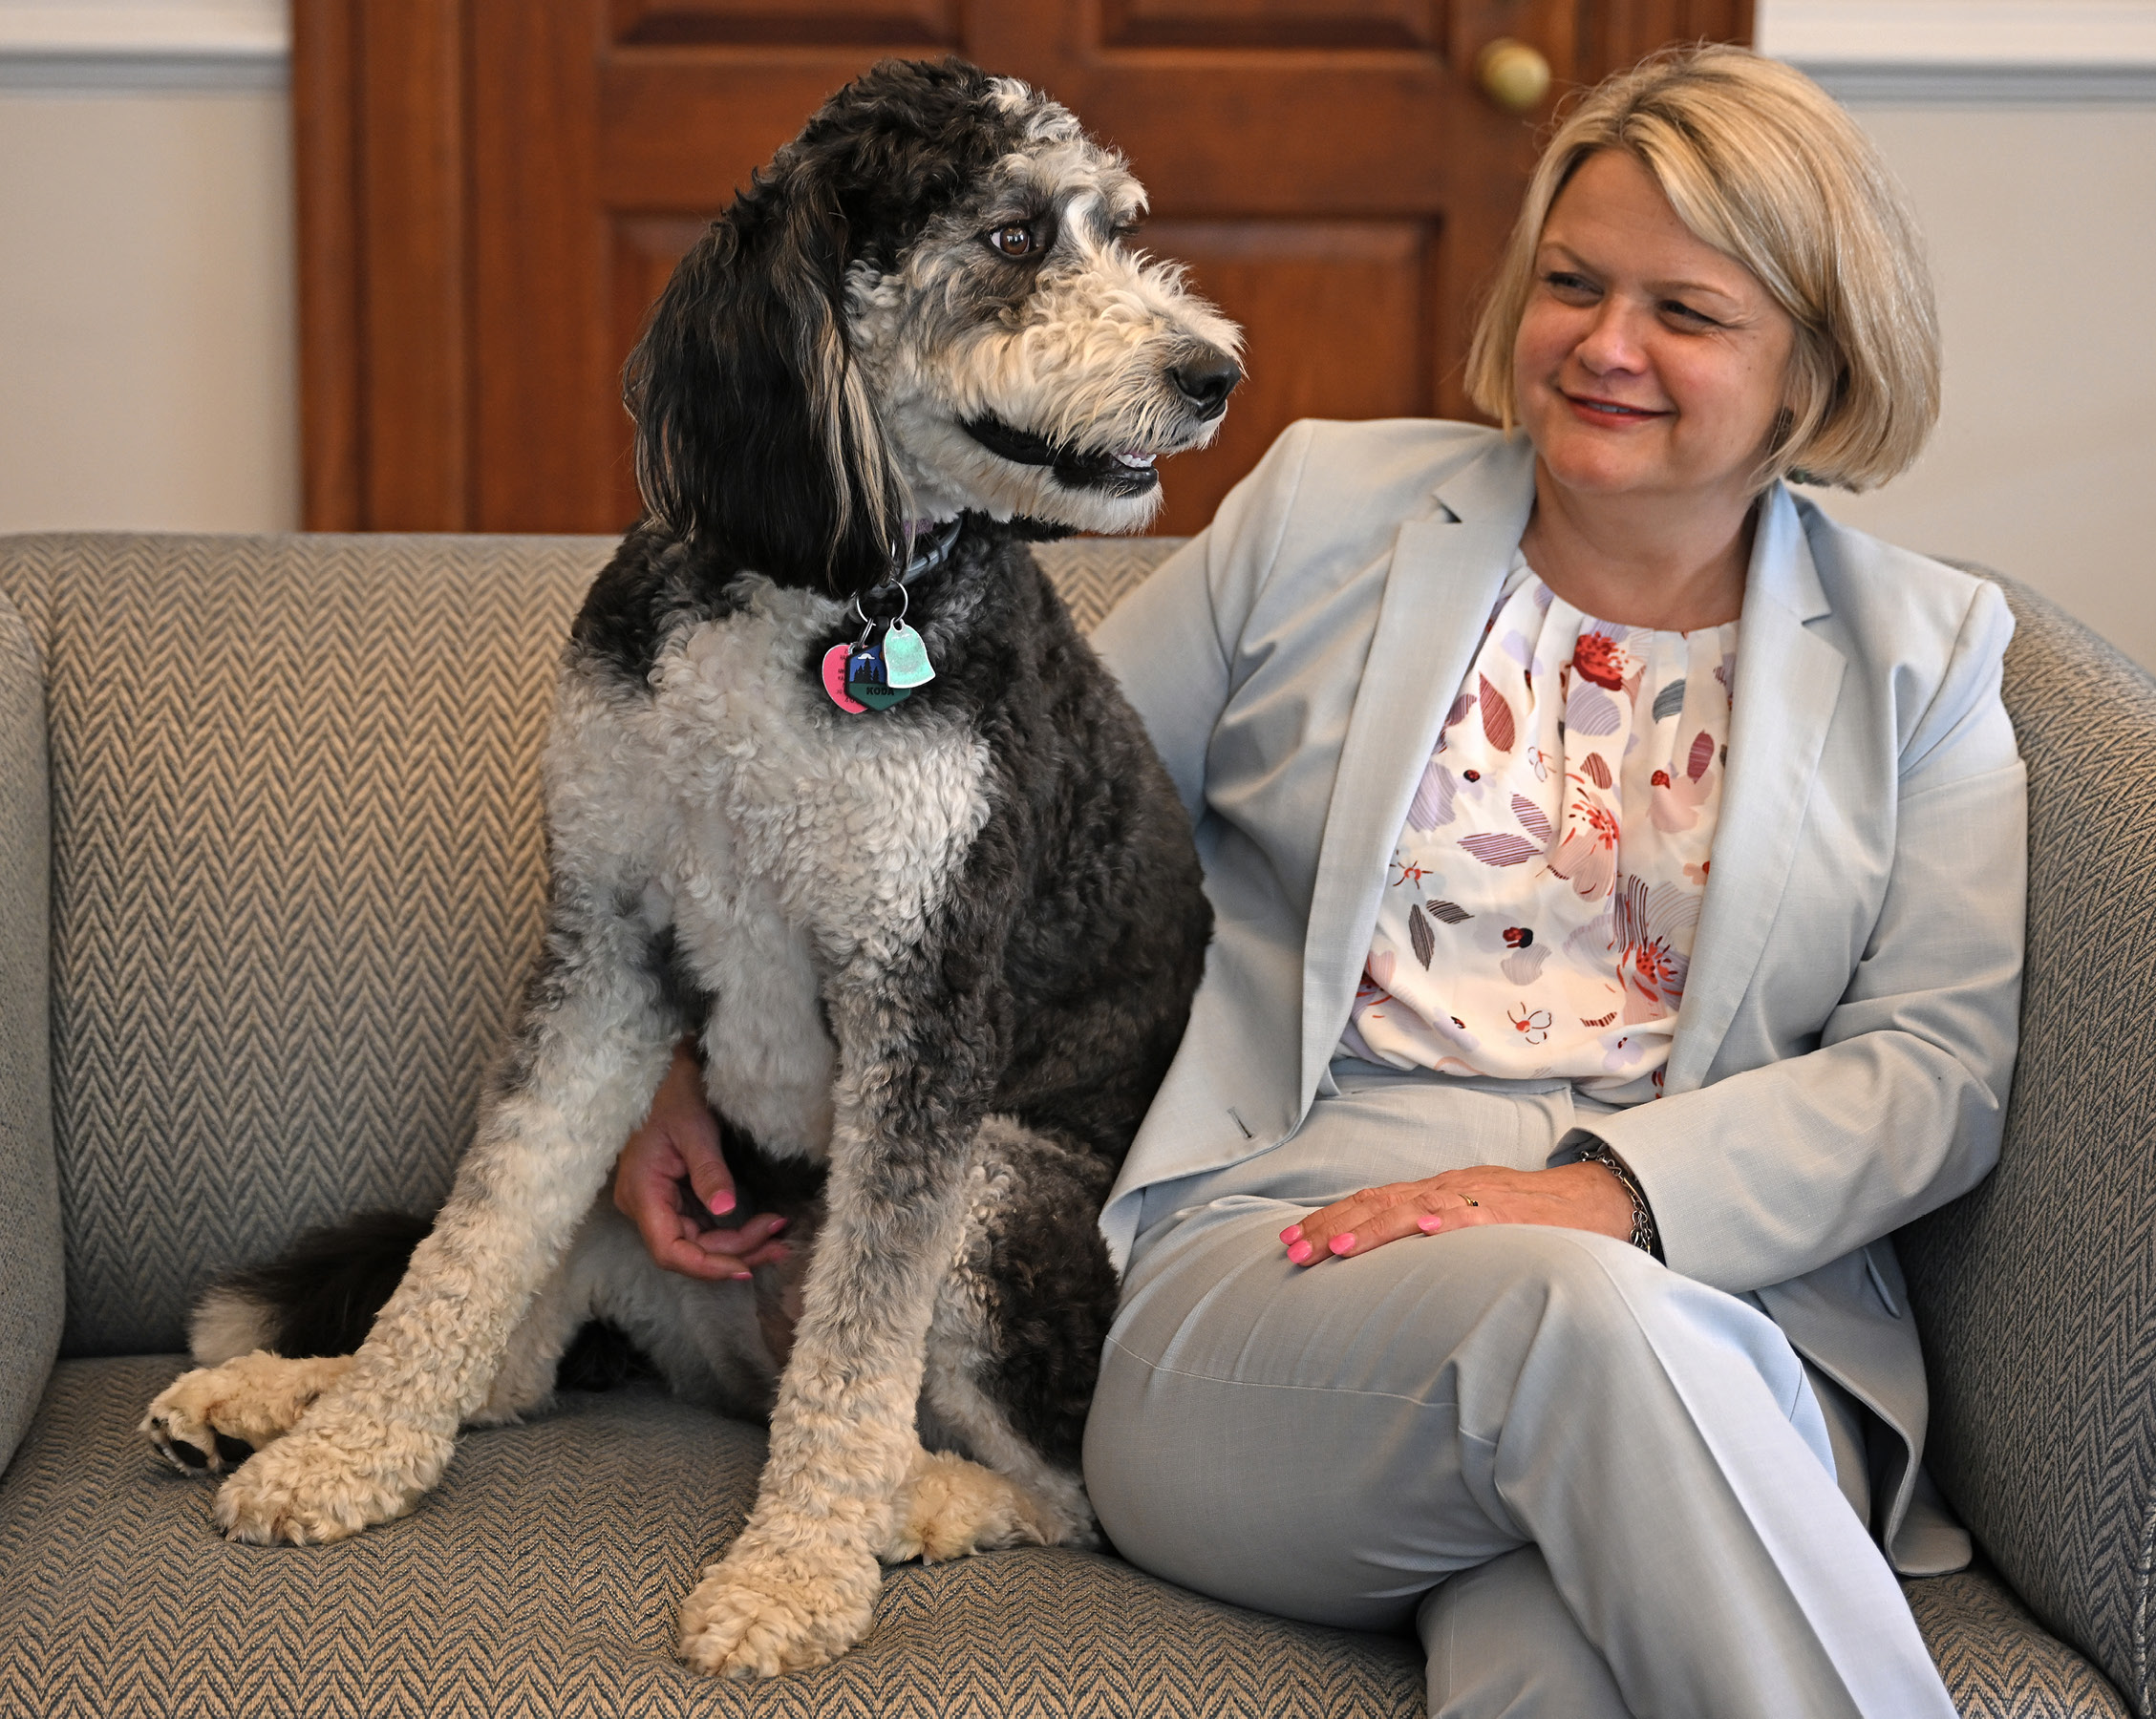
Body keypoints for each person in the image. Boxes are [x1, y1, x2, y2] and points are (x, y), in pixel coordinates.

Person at [612, 45, 2022, 1717]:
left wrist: (1609, 1196)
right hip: (1274, 1290)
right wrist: (701, 1049)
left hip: (1716, 1320)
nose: (1605, 346)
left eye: (1687, 314)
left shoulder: (1923, 655)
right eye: (1570, 284)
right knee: (1572, 1325)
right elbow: (1005, 825)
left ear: (1813, 364)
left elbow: (1931, 1070)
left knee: (1550, 1652)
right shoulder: (1325, 512)